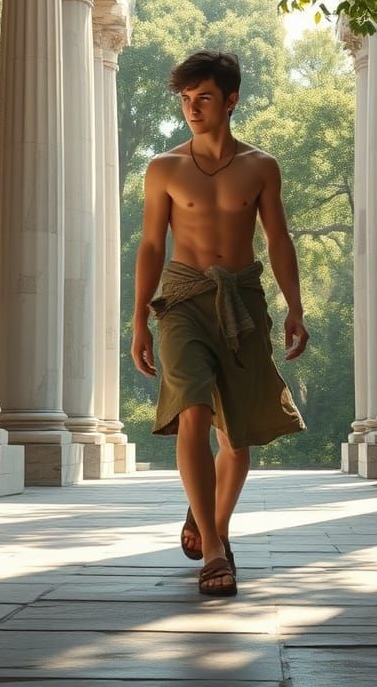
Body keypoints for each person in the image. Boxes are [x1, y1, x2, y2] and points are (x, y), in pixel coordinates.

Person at [130, 50, 307, 597]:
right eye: (185, 99)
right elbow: (152, 245)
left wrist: (295, 307)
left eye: (203, 97)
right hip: (183, 299)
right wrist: (138, 320)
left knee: (236, 436)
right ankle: (212, 550)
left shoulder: (260, 166)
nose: (192, 108)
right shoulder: (164, 168)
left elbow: (278, 239)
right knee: (193, 411)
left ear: (231, 100)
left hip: (242, 301)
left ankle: (216, 525)